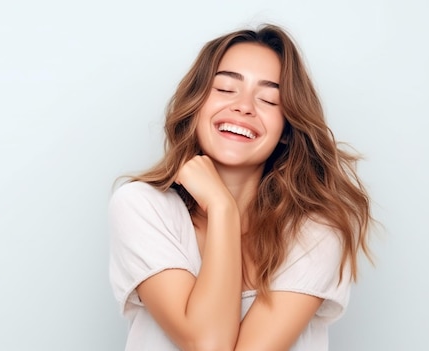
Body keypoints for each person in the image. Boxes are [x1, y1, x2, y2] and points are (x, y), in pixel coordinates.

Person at [109, 24, 371, 351]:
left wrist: (222, 208)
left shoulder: (314, 231)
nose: (244, 106)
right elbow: (206, 343)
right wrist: (223, 208)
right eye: (225, 89)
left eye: (268, 99)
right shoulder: (142, 206)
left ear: (287, 129)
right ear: (196, 105)